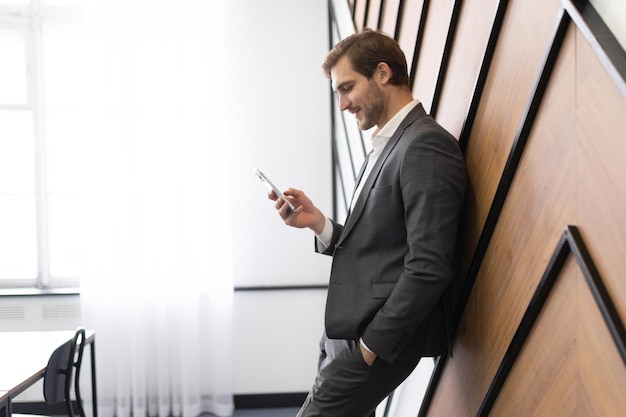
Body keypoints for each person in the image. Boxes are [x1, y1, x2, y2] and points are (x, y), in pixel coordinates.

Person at [268, 29, 467, 417]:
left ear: (382, 73)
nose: (342, 104)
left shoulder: (425, 145)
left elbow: (428, 265)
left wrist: (370, 347)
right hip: (343, 334)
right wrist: (319, 223)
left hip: (372, 341)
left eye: (347, 88)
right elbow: (381, 247)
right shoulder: (388, 143)